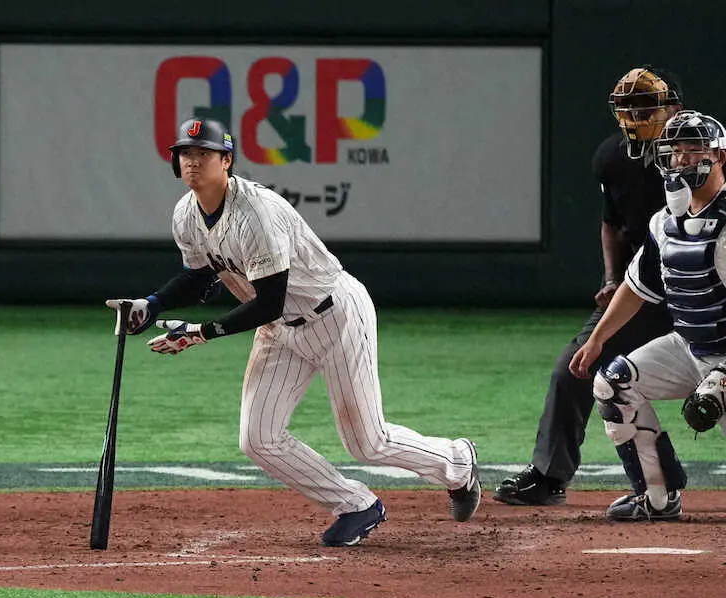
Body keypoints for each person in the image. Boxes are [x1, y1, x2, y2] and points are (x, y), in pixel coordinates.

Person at [106, 118, 481, 547]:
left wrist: (200, 333)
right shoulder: (185, 214)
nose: (192, 162)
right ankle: (355, 504)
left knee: (367, 442)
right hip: (279, 330)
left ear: (226, 160)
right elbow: (199, 276)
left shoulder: (257, 215)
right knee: (258, 438)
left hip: (335, 316)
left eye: (204, 154)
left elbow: (270, 300)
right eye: (185, 154)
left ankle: (457, 462)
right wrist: (151, 305)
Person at [494, 66, 680, 506]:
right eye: (628, 106)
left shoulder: (698, 152)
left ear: (675, 105)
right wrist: (612, 279)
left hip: (706, 290)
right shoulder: (613, 158)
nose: (636, 114)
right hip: (642, 285)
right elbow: (612, 223)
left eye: (646, 104)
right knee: (574, 368)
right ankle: (549, 474)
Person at [570, 110, 726, 521]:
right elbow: (636, 287)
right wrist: (597, 339)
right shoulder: (665, 223)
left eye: (695, 149)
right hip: (691, 347)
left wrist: (722, 376)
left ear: (719, 155)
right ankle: (658, 496)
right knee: (613, 384)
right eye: (676, 151)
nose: (683, 159)